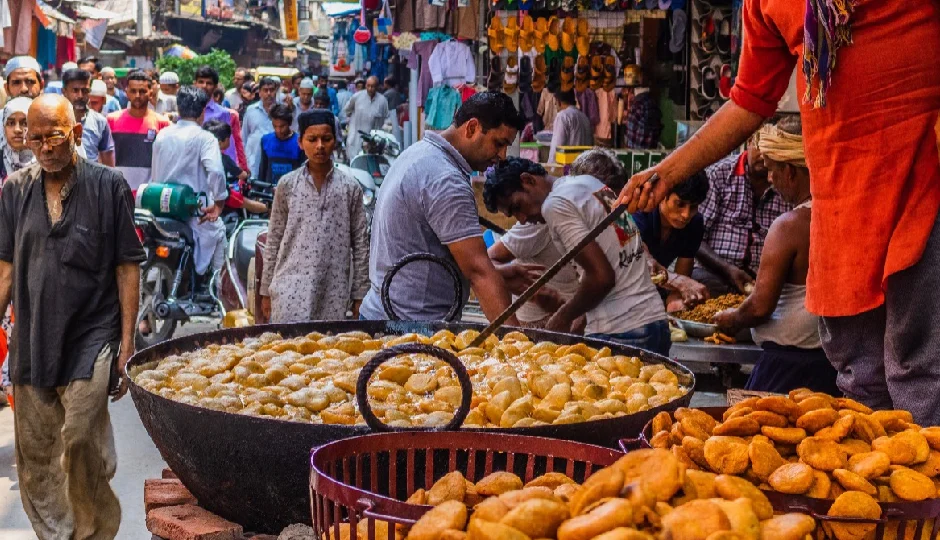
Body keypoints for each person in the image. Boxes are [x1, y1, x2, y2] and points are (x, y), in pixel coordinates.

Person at [618, 2, 940, 423]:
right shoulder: (765, 5)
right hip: (842, 204)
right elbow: (749, 100)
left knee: (920, 373)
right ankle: (875, 483)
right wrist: (665, 174)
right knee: (861, 378)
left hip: (924, 185)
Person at [0, 93, 144, 539]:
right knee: (38, 454)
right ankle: (57, 535)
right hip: (34, 336)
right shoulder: (15, 190)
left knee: (80, 436)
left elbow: (127, 268)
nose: (44, 147)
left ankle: (93, 531)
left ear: (76, 134)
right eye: (35, 138)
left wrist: (128, 343)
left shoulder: (108, 186)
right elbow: (5, 269)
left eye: (54, 136)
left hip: (93, 334)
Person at [360, 92, 525, 323]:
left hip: (385, 313)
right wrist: (516, 345)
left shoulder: (420, 153)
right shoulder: (445, 179)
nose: (502, 156)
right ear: (472, 128)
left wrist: (502, 274)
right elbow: (479, 272)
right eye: (498, 144)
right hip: (411, 327)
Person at [484, 158, 670, 355]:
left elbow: (602, 278)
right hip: (654, 321)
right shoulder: (589, 183)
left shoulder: (554, 205)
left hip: (620, 331)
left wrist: (561, 318)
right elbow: (616, 260)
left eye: (517, 206)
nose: (522, 219)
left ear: (528, 180)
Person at [715, 117, 838, 395]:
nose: (770, 179)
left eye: (772, 170)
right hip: (829, 363)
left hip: (787, 367)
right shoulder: (838, 214)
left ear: (790, 171)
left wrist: (733, 319)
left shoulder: (789, 226)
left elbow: (759, 306)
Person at [260, 109, 369, 323]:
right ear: (300, 143)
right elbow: (274, 239)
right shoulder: (287, 185)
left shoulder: (350, 188)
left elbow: (361, 245)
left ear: (335, 142)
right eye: (312, 139)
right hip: (289, 288)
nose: (319, 145)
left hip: (333, 291)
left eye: (326, 139)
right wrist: (265, 290)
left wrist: (360, 293)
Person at [150, 86, 228, 290]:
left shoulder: (162, 135)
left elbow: (155, 173)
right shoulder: (205, 138)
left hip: (160, 209)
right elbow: (217, 173)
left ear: (179, 108)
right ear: (203, 112)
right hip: (193, 214)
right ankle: (217, 291)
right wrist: (219, 203)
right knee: (219, 232)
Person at [692, 134, 790, 296]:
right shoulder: (719, 174)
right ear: (749, 142)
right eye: (759, 146)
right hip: (714, 273)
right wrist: (727, 269)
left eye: (770, 149)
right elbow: (694, 239)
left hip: (761, 282)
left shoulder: (785, 183)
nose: (763, 154)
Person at [631, 170, 709, 311]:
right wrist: (677, 282)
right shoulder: (640, 213)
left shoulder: (694, 224)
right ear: (663, 196)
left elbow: (681, 280)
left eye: (693, 207)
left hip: (653, 290)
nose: (686, 215)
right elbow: (641, 259)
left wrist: (676, 301)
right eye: (680, 204)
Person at [107, 70, 171, 191]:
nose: (137, 95)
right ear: (126, 93)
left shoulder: (162, 123)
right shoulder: (111, 121)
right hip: (117, 193)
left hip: (149, 195)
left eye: (142, 91)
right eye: (133, 91)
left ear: (150, 93)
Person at [203, 120, 267, 215]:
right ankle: (269, 209)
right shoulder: (223, 159)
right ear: (221, 142)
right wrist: (247, 175)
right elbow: (243, 175)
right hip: (222, 195)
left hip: (204, 194)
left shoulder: (201, 155)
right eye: (229, 138)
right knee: (247, 203)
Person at [194, 65, 248, 171]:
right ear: (195, 84)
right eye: (201, 82)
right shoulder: (186, 110)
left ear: (215, 87)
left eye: (209, 83)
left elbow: (228, 148)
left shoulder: (223, 114)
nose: (204, 86)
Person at [62, 68, 115, 166]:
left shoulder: (100, 122)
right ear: (64, 92)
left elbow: (109, 163)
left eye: (85, 91)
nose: (80, 95)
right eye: (75, 90)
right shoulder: (54, 121)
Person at [242, 76, 278, 178]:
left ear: (275, 91)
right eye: (265, 90)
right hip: (253, 160)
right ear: (260, 92)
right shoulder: (251, 110)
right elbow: (244, 136)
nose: (269, 93)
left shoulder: (280, 110)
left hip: (274, 159)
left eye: (271, 90)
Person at [344, 76, 388, 158]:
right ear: (366, 86)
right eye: (368, 86)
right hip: (356, 137)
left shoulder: (382, 101)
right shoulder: (356, 97)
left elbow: (386, 118)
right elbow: (347, 110)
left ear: (377, 87)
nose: (370, 88)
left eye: (373, 86)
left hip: (373, 139)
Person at [259, 104, 304, 185]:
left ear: (289, 123)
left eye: (282, 126)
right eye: (275, 126)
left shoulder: (299, 142)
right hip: (270, 191)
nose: (278, 130)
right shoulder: (266, 140)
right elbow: (263, 169)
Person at [548, 89, 593, 164]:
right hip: (584, 166)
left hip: (568, 168)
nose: (555, 105)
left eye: (555, 102)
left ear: (558, 101)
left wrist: (550, 168)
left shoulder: (563, 116)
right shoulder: (584, 117)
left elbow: (557, 148)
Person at [0, 97, 34, 184]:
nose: (17, 130)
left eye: (25, 123)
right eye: (11, 123)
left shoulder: (47, 162)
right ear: (3, 128)